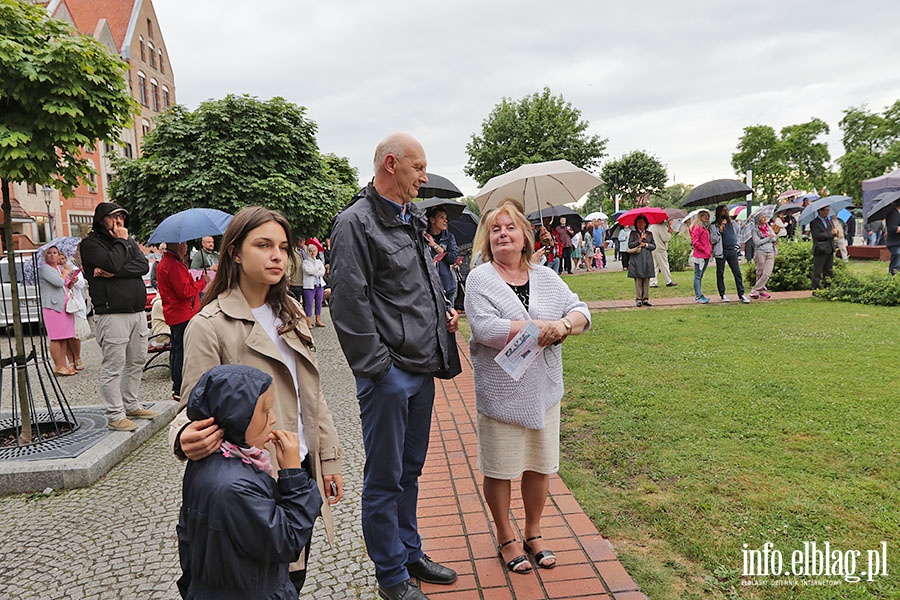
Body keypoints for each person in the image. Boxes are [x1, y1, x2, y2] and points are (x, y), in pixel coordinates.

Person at [169, 206, 345, 596]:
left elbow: (311, 393)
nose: (277, 256)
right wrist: (182, 438)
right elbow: (190, 407)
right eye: (263, 245)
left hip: (297, 465)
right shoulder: (209, 324)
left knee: (293, 575)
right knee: (265, 579)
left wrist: (327, 459)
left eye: (283, 247)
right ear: (234, 252)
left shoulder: (292, 312)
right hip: (251, 485)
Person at [330, 133, 460, 600]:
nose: (424, 177)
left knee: (410, 469)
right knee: (385, 476)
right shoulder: (356, 223)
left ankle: (409, 552)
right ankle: (391, 576)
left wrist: (442, 309)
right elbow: (349, 303)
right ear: (391, 163)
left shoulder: (410, 219)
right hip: (389, 374)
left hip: (421, 368)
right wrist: (379, 370)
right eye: (419, 167)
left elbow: (411, 285)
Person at [465, 199, 590, 575]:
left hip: (544, 390)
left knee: (540, 465)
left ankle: (533, 533)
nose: (503, 234)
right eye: (496, 229)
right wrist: (540, 327)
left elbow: (581, 310)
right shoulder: (480, 278)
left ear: (526, 237)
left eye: (510, 228)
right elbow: (485, 329)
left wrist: (565, 325)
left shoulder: (547, 277)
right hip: (502, 392)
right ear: (487, 240)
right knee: (501, 467)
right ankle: (505, 535)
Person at [177, 364, 322, 600]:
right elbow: (286, 541)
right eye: (265, 411)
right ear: (236, 418)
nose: (273, 419)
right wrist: (294, 474)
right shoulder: (233, 487)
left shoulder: (212, 463)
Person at [79, 202, 156, 432]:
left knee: (137, 360)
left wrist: (113, 272)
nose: (119, 221)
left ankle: (131, 404)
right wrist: (121, 246)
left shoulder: (128, 242)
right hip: (112, 313)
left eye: (121, 217)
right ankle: (115, 414)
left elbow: (142, 265)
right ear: (101, 219)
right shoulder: (91, 244)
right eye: (113, 217)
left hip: (137, 311)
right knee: (114, 365)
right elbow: (111, 261)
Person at [156, 241, 209, 401]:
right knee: (183, 351)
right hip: (182, 314)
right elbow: (185, 292)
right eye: (185, 245)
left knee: (179, 349)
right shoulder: (174, 265)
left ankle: (179, 385)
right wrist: (203, 282)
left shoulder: (168, 263)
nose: (186, 248)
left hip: (177, 313)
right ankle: (179, 386)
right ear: (179, 246)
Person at [38, 246, 79, 376]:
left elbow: (65, 284)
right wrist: (66, 273)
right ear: (45, 256)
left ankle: (63, 364)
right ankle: (58, 366)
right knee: (56, 337)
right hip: (52, 307)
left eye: (54, 253)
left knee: (64, 337)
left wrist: (71, 281)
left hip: (64, 306)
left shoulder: (58, 268)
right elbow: (57, 282)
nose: (52, 255)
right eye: (49, 253)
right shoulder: (45, 268)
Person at [709, 206, 749, 303]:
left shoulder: (733, 223)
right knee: (720, 273)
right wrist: (720, 231)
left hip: (732, 250)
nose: (725, 212)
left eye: (726, 210)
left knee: (737, 272)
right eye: (723, 210)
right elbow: (713, 239)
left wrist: (737, 246)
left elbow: (738, 235)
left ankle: (741, 293)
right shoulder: (714, 225)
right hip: (721, 252)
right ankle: (722, 294)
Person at [425, 207, 459, 307]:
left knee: (450, 321)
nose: (445, 221)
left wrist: (435, 246)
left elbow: (453, 258)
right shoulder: (423, 237)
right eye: (441, 217)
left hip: (447, 285)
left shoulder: (449, 237)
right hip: (429, 287)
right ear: (432, 220)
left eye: (446, 218)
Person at [627, 215, 656, 307]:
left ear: (646, 224)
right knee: (638, 279)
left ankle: (646, 298)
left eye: (642, 223)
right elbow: (630, 245)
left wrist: (646, 245)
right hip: (637, 258)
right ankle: (638, 299)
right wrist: (639, 241)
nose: (641, 225)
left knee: (647, 278)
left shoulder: (650, 233)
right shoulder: (633, 233)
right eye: (639, 223)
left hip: (647, 258)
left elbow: (653, 246)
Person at [749, 214, 777, 299]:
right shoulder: (755, 229)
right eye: (763, 217)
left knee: (767, 273)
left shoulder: (768, 227)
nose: (765, 219)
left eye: (765, 217)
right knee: (760, 272)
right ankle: (762, 290)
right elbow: (757, 242)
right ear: (758, 219)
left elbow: (774, 238)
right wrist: (768, 238)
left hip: (770, 251)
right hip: (760, 252)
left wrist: (767, 238)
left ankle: (755, 290)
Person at [810, 206, 837, 290]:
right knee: (818, 270)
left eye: (828, 210)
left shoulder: (829, 221)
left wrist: (836, 232)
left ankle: (828, 287)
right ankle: (816, 288)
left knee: (828, 270)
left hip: (830, 248)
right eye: (826, 210)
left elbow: (832, 232)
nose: (827, 212)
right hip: (820, 249)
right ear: (820, 211)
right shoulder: (814, 222)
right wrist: (831, 234)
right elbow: (817, 235)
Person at [301, 244, 326, 328]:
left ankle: (318, 320)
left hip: (319, 285)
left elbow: (322, 272)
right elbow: (307, 271)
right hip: (309, 286)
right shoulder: (305, 262)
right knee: (309, 304)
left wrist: (315, 272)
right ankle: (308, 321)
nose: (312, 253)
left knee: (319, 303)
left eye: (314, 251)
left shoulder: (319, 262)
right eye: (311, 251)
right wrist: (316, 270)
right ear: (308, 252)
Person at [690, 209, 712, 304]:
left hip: (706, 255)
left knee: (700, 275)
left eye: (707, 216)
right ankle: (698, 296)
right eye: (704, 216)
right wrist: (703, 248)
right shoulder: (697, 228)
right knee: (698, 276)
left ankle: (699, 294)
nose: (706, 218)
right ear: (700, 217)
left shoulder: (705, 228)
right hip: (700, 256)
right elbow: (695, 242)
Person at [648, 218, 676, 288]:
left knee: (654, 266)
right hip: (660, 249)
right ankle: (668, 281)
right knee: (664, 265)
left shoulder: (651, 227)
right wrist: (669, 232)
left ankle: (653, 282)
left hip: (652, 248)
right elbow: (666, 238)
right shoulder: (662, 227)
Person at [884, 199, 900, 275]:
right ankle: (892, 279)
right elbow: (892, 229)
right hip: (895, 243)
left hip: (897, 242)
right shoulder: (893, 213)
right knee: (896, 264)